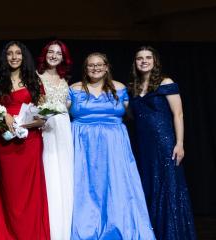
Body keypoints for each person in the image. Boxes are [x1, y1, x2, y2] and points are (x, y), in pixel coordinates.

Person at [69, 52, 154, 239]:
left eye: (99, 64)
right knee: (85, 185)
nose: (95, 68)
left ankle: (119, 225)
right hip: (83, 143)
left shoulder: (120, 88)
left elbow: (133, 114)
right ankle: (86, 228)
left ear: (106, 67)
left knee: (115, 183)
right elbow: (59, 113)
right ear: (85, 69)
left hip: (114, 143)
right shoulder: (74, 89)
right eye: (91, 65)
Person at [129, 46, 196, 239]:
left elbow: (178, 114)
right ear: (135, 62)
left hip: (164, 142)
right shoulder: (133, 86)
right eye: (139, 58)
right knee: (149, 186)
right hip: (143, 145)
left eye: (148, 57)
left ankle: (172, 233)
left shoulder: (165, 82)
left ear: (155, 61)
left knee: (167, 187)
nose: (144, 61)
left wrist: (180, 143)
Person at [0, 41, 50, 240]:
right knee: (9, 192)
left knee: (29, 192)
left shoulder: (34, 80)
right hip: (5, 141)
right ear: (5, 57)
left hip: (29, 140)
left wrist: (25, 125)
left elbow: (43, 114)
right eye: (9, 53)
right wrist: (3, 115)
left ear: (24, 56)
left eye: (18, 53)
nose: (14, 57)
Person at [36, 40, 74, 240]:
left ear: (63, 57)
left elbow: (67, 105)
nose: (54, 56)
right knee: (49, 168)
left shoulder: (64, 79)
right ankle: (50, 224)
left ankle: (65, 224)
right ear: (45, 54)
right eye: (50, 52)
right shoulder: (36, 77)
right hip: (46, 126)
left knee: (64, 171)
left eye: (58, 53)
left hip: (63, 127)